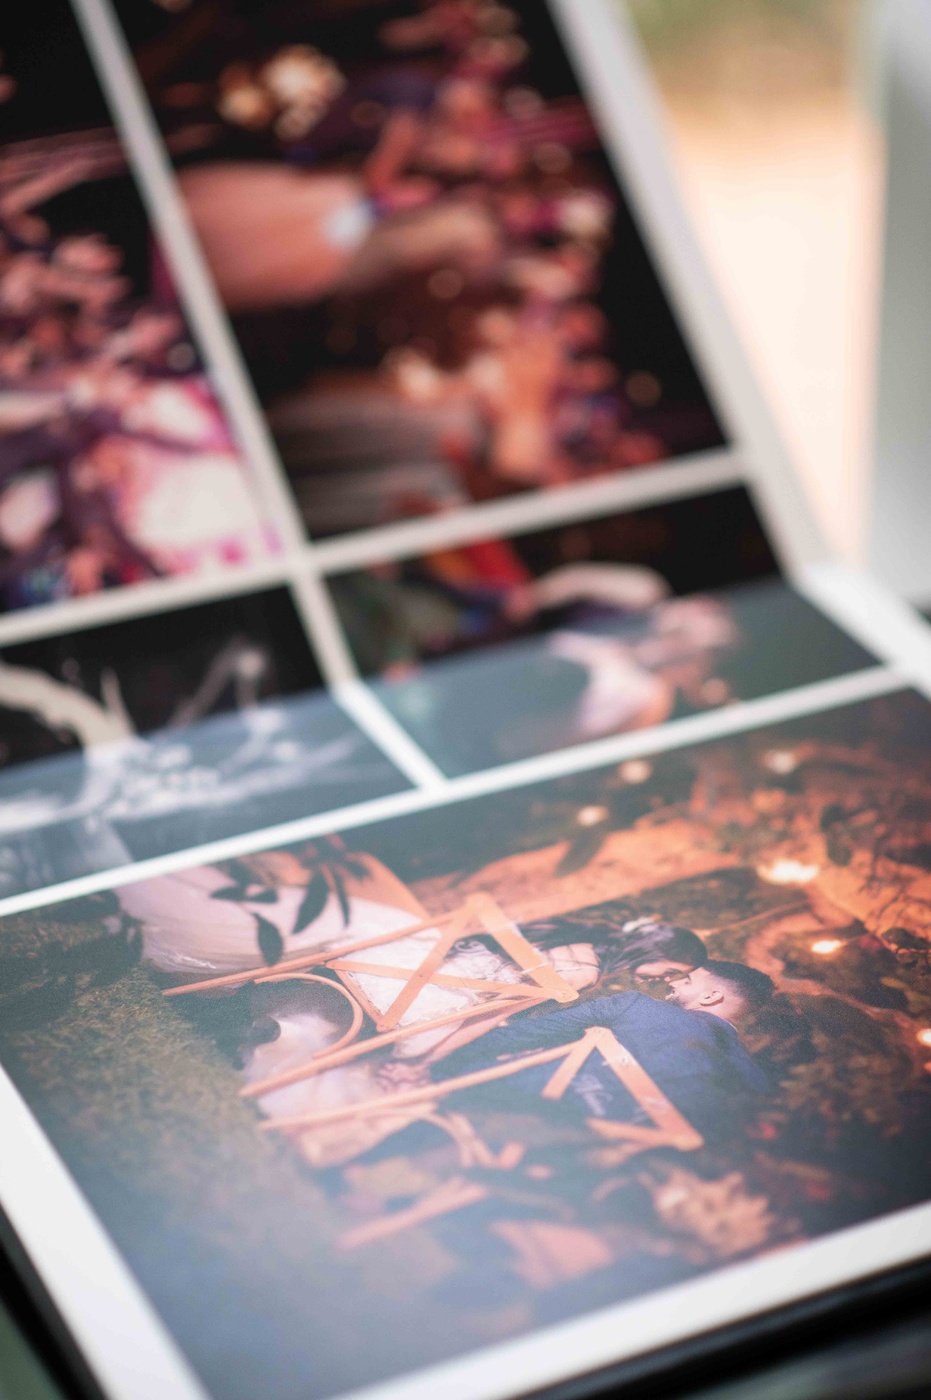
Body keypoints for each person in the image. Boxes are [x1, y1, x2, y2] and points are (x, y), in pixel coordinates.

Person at [430, 964, 773, 1141]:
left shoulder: (637, 1006)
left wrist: (437, 1065)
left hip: (498, 1099)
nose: (673, 982)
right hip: (581, 1158)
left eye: (687, 981)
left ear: (712, 996)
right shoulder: (754, 1085)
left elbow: (528, 1033)